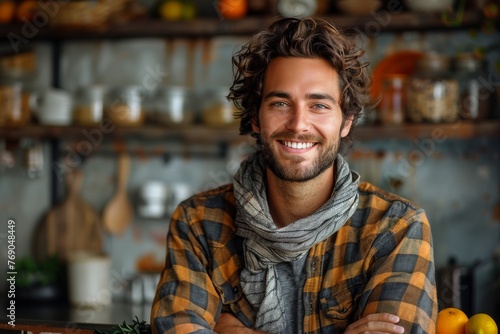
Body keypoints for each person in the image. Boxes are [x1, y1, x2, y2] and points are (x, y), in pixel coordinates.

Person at [151, 16, 437, 334]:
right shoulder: (199, 222)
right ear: (256, 117)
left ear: (346, 122)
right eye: (281, 103)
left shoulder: (396, 227)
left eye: (319, 105)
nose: (298, 124)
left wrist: (231, 327)